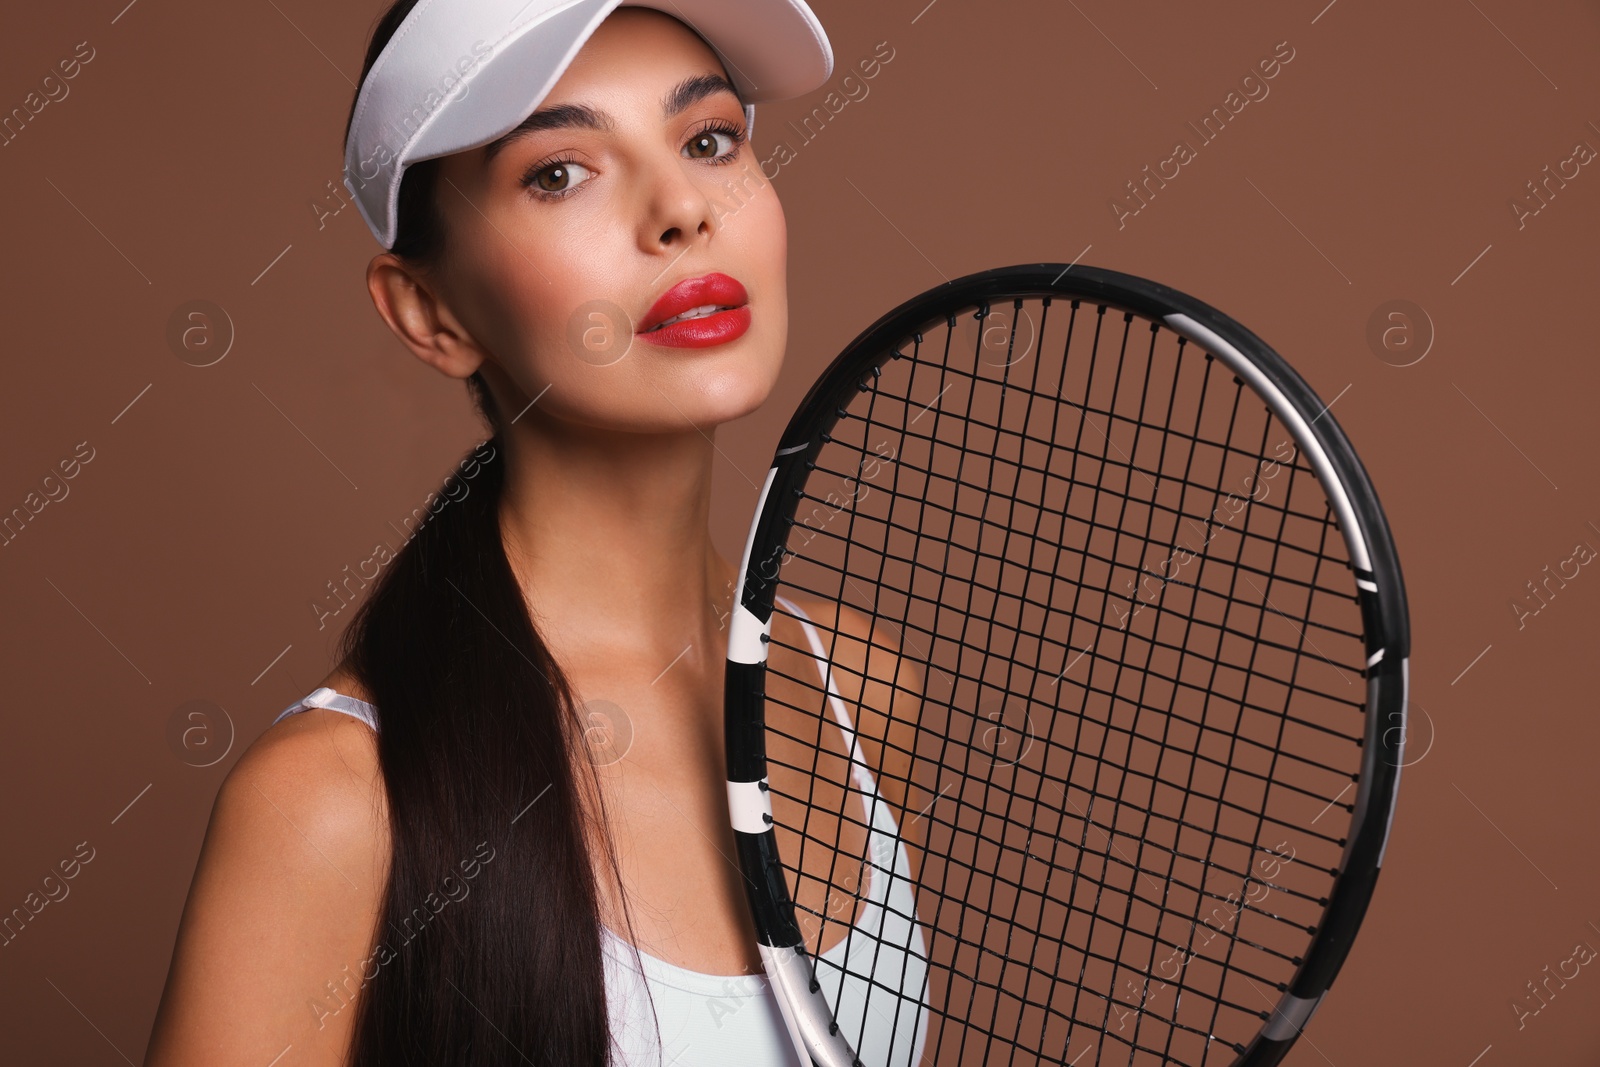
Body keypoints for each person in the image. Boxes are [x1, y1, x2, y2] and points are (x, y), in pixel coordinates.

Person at [143, 2, 926, 1064]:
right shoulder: (332, 804)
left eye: (708, 139)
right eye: (559, 171)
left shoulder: (855, 686)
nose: (682, 208)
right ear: (430, 313)